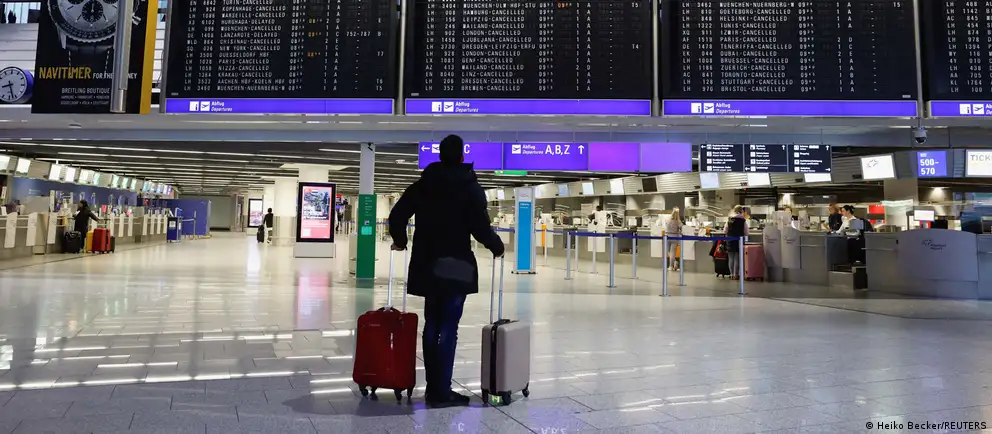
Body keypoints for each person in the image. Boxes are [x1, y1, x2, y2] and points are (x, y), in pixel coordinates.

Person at [388, 134, 505, 407]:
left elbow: (397, 216)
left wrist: (401, 242)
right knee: (449, 326)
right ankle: (442, 390)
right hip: (456, 266)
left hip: (428, 264)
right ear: (462, 157)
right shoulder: (470, 188)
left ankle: (433, 389)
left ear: (440, 156)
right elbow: (480, 228)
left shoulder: (423, 185)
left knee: (432, 324)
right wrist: (497, 247)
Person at [723, 205, 749, 280]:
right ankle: (735, 274)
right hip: (739, 241)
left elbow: (725, 231)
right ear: (741, 211)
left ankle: (731, 274)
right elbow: (746, 232)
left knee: (731, 258)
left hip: (730, 240)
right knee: (737, 258)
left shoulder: (729, 220)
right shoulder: (743, 221)